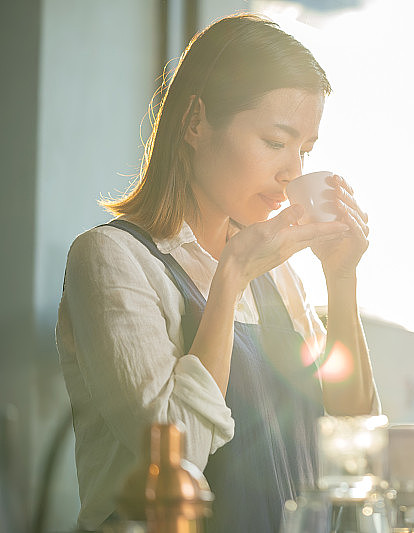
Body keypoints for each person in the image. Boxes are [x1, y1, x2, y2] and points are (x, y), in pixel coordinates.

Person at [55, 13, 379, 532]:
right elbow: (176, 458)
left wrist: (342, 281)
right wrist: (229, 278)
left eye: (305, 150)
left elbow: (354, 441)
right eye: (276, 141)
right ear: (195, 122)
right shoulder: (113, 259)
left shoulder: (279, 277)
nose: (293, 171)